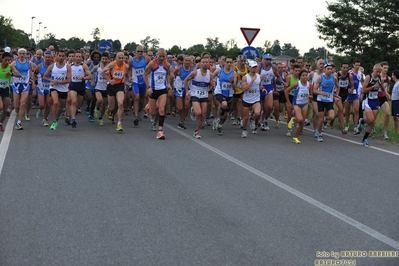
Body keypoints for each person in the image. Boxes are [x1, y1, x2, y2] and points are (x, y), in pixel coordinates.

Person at [143, 48, 172, 139]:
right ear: (157, 55)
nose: (162, 58)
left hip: (162, 89)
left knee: (162, 109)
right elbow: (145, 75)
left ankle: (160, 130)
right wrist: (148, 87)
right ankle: (148, 106)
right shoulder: (152, 63)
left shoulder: (167, 65)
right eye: (160, 56)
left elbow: (167, 74)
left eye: (164, 56)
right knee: (152, 111)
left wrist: (168, 84)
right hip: (153, 89)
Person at [43, 49, 72, 130]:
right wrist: (52, 81)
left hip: (63, 89)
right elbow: (45, 76)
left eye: (63, 56)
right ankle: (54, 121)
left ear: (65, 57)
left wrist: (58, 82)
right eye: (59, 56)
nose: (61, 57)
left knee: (60, 108)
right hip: (54, 87)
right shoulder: (52, 66)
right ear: (56, 56)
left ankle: (57, 118)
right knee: (55, 102)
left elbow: (69, 80)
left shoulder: (68, 67)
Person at [184, 57, 212, 139]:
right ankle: (193, 111)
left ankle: (196, 131)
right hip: (195, 94)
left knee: (203, 115)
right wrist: (187, 91)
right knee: (198, 113)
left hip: (204, 95)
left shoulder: (210, 74)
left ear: (209, 64)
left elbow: (210, 85)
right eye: (203, 62)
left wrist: (211, 86)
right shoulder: (195, 72)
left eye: (207, 62)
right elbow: (186, 80)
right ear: (200, 64)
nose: (205, 63)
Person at [101, 52, 129, 132]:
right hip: (111, 86)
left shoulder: (126, 66)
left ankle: (119, 123)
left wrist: (126, 81)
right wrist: (109, 80)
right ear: (116, 58)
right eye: (119, 58)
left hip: (120, 86)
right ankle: (108, 111)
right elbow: (102, 72)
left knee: (120, 103)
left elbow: (127, 72)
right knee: (111, 107)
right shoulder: (112, 64)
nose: (121, 60)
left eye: (122, 58)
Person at [312, 63, 340, 142]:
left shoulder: (334, 78)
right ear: (325, 70)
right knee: (320, 119)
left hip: (329, 100)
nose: (330, 70)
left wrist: (336, 95)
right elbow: (314, 90)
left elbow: (338, 87)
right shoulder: (320, 78)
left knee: (331, 117)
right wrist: (321, 93)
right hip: (321, 100)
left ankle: (324, 118)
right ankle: (320, 134)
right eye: (328, 69)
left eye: (331, 69)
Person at [10, 48, 36, 130]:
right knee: (16, 106)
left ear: (25, 54)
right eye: (20, 53)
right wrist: (14, 73)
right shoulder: (14, 63)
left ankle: (19, 122)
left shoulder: (29, 63)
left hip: (25, 85)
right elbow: (13, 71)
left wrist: (33, 82)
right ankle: (19, 113)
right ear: (18, 54)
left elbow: (32, 72)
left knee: (23, 103)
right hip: (16, 85)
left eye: (23, 53)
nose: (22, 55)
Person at [211, 55, 237, 135]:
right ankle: (218, 120)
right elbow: (211, 76)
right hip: (219, 92)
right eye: (227, 62)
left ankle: (219, 124)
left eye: (230, 62)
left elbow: (235, 87)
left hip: (229, 94)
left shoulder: (234, 73)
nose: (229, 64)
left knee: (225, 114)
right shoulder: (219, 71)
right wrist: (212, 83)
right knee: (223, 104)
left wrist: (232, 82)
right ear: (224, 63)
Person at [360, 64, 384, 147]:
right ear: (373, 70)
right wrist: (373, 86)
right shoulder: (368, 77)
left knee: (372, 121)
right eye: (377, 71)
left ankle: (364, 138)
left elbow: (382, 87)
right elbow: (363, 90)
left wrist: (386, 94)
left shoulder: (380, 78)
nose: (378, 73)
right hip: (368, 101)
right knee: (370, 119)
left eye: (380, 72)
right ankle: (364, 137)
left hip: (375, 101)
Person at [284, 69, 311, 144]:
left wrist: (310, 97)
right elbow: (286, 91)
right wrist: (289, 103)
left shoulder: (309, 84)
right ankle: (293, 120)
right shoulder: (297, 84)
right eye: (303, 75)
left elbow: (311, 94)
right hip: (297, 104)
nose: (305, 77)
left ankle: (296, 137)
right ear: (300, 77)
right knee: (299, 119)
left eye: (306, 75)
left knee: (302, 122)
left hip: (305, 104)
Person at [68, 50, 92, 128]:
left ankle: (74, 112)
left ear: (82, 58)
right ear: (74, 58)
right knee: (73, 101)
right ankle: (73, 119)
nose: (78, 58)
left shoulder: (84, 66)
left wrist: (83, 78)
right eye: (76, 56)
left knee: (78, 104)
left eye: (79, 57)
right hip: (73, 85)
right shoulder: (69, 66)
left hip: (81, 86)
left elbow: (90, 76)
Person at [240, 60, 264, 138]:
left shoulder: (259, 76)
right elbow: (244, 89)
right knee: (245, 117)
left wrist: (263, 88)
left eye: (255, 67)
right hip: (246, 99)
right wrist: (251, 82)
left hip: (256, 98)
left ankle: (252, 119)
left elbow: (259, 85)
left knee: (257, 113)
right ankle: (244, 130)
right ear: (249, 67)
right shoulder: (245, 77)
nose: (254, 69)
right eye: (253, 67)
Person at [129, 45, 151, 126]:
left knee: (142, 99)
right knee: (137, 97)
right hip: (136, 82)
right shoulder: (131, 60)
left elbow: (152, 66)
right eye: (138, 51)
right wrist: (130, 76)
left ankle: (138, 111)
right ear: (135, 52)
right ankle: (136, 116)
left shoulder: (146, 59)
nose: (140, 53)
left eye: (141, 51)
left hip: (144, 82)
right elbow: (128, 69)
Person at [173, 55, 193, 129]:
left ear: (191, 62)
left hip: (188, 89)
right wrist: (174, 84)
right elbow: (173, 75)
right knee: (180, 107)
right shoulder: (179, 69)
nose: (187, 62)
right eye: (186, 60)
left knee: (187, 106)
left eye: (189, 61)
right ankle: (181, 118)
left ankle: (181, 120)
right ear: (183, 61)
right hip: (179, 89)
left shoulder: (192, 70)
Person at [33, 50, 53, 126]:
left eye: (49, 57)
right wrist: (34, 83)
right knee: (41, 105)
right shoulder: (40, 66)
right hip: (41, 87)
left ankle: (45, 119)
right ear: (44, 57)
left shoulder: (53, 66)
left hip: (50, 88)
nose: (47, 58)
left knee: (48, 104)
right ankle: (40, 109)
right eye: (46, 57)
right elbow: (34, 74)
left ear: (51, 58)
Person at [334, 62, 354, 134]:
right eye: (344, 68)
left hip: (345, 94)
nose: (345, 69)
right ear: (341, 68)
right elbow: (334, 85)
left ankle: (337, 119)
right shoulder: (337, 75)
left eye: (347, 68)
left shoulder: (349, 75)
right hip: (338, 94)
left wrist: (351, 89)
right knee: (341, 109)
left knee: (347, 111)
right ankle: (341, 127)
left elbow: (352, 85)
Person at [93, 52, 110, 126]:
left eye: (106, 59)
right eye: (103, 59)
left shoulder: (110, 67)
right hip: (98, 87)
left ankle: (100, 118)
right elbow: (90, 73)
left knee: (104, 105)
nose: (104, 60)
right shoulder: (97, 67)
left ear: (108, 60)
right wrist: (92, 81)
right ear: (101, 59)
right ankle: (96, 109)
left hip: (106, 88)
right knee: (100, 100)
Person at [0, 52, 13, 131]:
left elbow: (18, 74)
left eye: (9, 60)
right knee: (0, 107)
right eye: (6, 60)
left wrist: (11, 74)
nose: (7, 62)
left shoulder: (10, 67)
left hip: (5, 89)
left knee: (6, 110)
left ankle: (0, 123)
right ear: (2, 59)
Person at [378, 61, 391, 139]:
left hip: (383, 98)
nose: (386, 69)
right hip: (375, 97)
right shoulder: (377, 76)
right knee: (372, 118)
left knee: (388, 113)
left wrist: (387, 93)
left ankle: (384, 132)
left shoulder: (388, 78)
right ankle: (364, 122)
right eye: (384, 68)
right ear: (381, 68)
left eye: (387, 68)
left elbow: (387, 88)